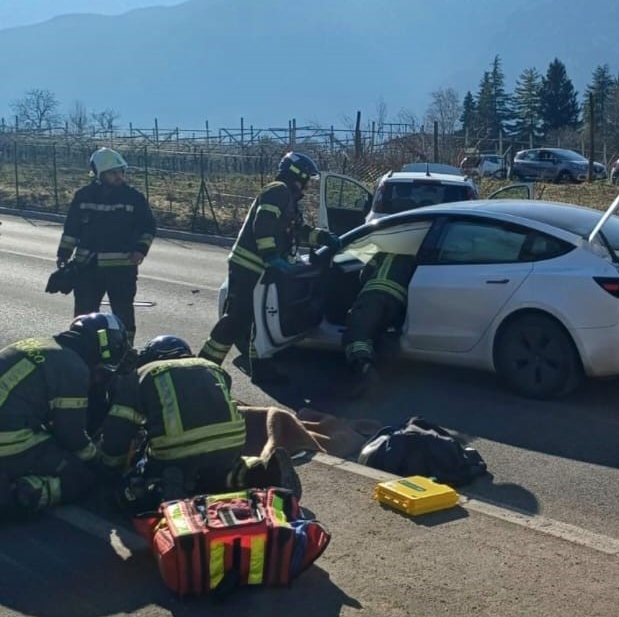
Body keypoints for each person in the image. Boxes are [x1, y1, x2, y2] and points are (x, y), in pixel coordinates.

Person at [100, 335, 301, 506]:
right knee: (223, 475)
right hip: (230, 447)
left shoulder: (139, 375)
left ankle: (162, 485)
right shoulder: (213, 368)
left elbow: (119, 430)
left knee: (133, 486)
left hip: (176, 454)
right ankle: (263, 471)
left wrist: (110, 467)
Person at [198, 151, 339, 383]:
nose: (309, 184)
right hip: (248, 266)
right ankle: (202, 369)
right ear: (298, 175)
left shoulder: (288, 198)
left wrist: (322, 236)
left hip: (262, 267)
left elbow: (297, 230)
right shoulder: (277, 191)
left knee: (259, 320)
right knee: (237, 319)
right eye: (308, 178)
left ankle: (261, 369)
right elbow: (263, 225)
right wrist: (271, 256)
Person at [0, 312, 128, 520]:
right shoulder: (73, 367)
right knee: (80, 476)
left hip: (9, 425)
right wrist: (96, 460)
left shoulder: (38, 344)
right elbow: (71, 434)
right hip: (9, 440)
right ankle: (19, 495)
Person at [56, 147, 157, 347]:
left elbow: (148, 227)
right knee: (84, 314)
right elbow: (72, 229)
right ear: (99, 175)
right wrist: (63, 254)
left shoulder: (133, 198)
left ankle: (125, 351)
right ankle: (83, 349)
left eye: (121, 171)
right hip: (87, 268)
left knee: (123, 314)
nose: (119, 176)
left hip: (122, 269)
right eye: (113, 173)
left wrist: (140, 250)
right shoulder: (83, 196)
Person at [342, 251, 417, 392]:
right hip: (397, 302)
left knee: (357, 334)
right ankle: (385, 372)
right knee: (384, 333)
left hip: (373, 296)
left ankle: (364, 368)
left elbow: (364, 275)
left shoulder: (380, 254)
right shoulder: (412, 258)